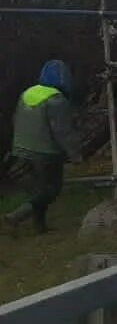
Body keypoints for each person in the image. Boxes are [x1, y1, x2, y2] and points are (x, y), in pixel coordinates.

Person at [4, 60, 82, 234]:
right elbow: (62, 131)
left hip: (21, 150)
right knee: (51, 190)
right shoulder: (56, 100)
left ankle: (40, 227)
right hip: (46, 153)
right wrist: (75, 154)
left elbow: (15, 119)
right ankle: (16, 216)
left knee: (38, 191)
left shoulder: (27, 93)